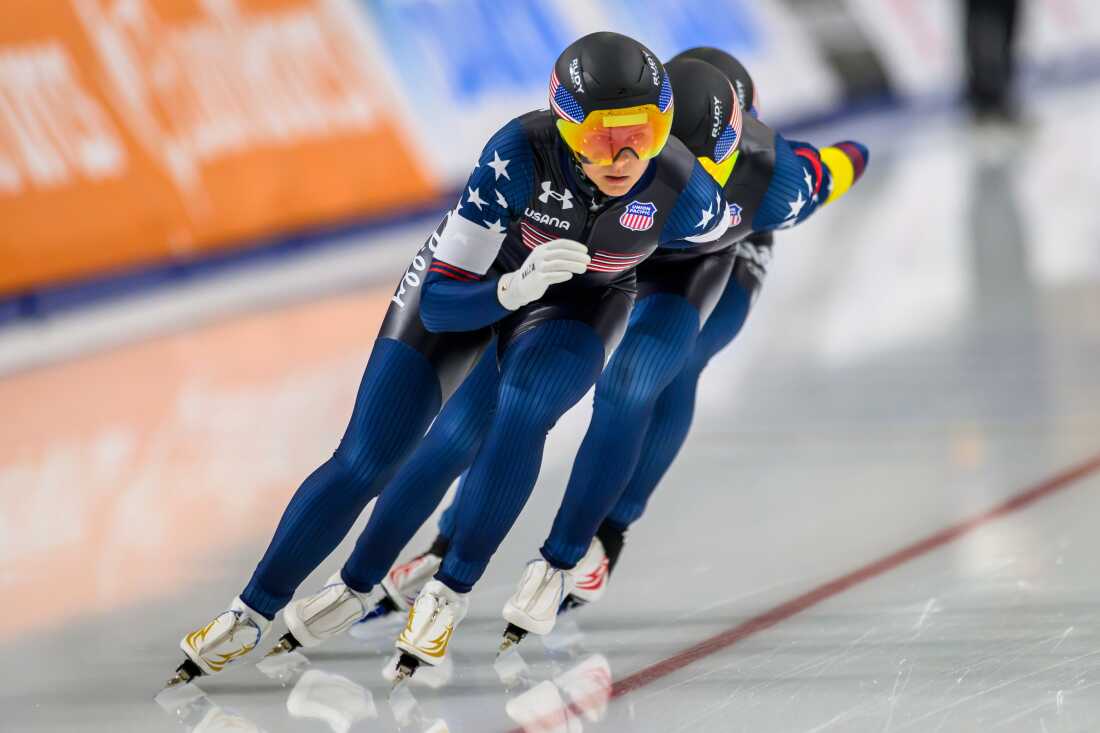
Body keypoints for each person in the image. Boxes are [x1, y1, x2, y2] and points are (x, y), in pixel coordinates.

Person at [165, 30, 730, 687]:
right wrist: (510, 289)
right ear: (567, 128)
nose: (627, 154)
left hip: (581, 305)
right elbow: (437, 304)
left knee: (522, 409)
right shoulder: (518, 155)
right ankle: (249, 611)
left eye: (647, 131)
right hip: (471, 287)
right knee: (367, 457)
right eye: (606, 135)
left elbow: (727, 234)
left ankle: (447, 593)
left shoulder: (683, 186)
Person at [395, 49, 870, 673]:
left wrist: (848, 156)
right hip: (623, 246)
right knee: (519, 371)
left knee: (652, 372)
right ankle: (454, 535)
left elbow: (844, 160)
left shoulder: (775, 179)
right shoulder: (624, 144)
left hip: (708, 261)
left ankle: (603, 536)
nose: (683, 180)